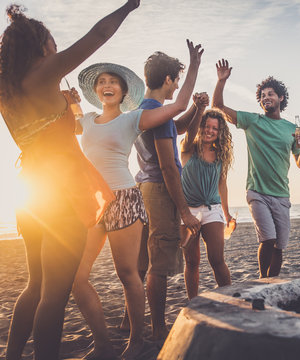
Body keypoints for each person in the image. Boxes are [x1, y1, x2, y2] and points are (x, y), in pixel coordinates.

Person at [0, 2, 140, 359]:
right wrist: (129, 5)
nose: (55, 45)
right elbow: (98, 35)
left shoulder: (8, 90)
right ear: (39, 46)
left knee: (34, 285)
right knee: (54, 296)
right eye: (51, 40)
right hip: (62, 197)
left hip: (31, 196)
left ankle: (12, 355)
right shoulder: (44, 73)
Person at [72, 41, 202, 359]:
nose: (107, 85)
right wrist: (67, 104)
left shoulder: (134, 118)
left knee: (128, 272)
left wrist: (194, 66)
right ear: (95, 90)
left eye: (112, 82)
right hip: (93, 202)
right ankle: (102, 343)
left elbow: (179, 108)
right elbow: (58, 126)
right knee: (77, 277)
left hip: (126, 198)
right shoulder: (86, 119)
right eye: (101, 81)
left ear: (123, 89)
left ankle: (137, 340)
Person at [212, 59, 300, 278]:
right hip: (257, 192)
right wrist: (221, 81)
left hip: (282, 195)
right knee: (268, 239)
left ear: (280, 98)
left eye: (271, 94)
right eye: (263, 95)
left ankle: (271, 283)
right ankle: (261, 280)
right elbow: (217, 106)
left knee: (279, 246)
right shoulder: (252, 121)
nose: (266, 97)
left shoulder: (291, 129)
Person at [131, 51, 202, 341]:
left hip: (144, 187)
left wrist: (197, 109)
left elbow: (179, 127)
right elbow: (169, 166)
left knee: (143, 260)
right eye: (176, 81)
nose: (176, 87)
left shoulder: (145, 109)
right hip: (160, 189)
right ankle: (159, 329)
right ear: (168, 79)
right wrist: (184, 211)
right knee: (159, 262)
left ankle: (128, 320)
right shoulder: (157, 112)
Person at [180, 107, 233, 299]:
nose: (210, 131)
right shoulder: (187, 148)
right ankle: (193, 301)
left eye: (215, 128)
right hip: (188, 211)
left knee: (217, 259)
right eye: (206, 126)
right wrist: (198, 109)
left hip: (212, 209)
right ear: (200, 127)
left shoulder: (220, 155)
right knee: (192, 262)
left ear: (220, 132)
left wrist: (227, 214)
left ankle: (230, 299)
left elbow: (222, 184)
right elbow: (189, 134)